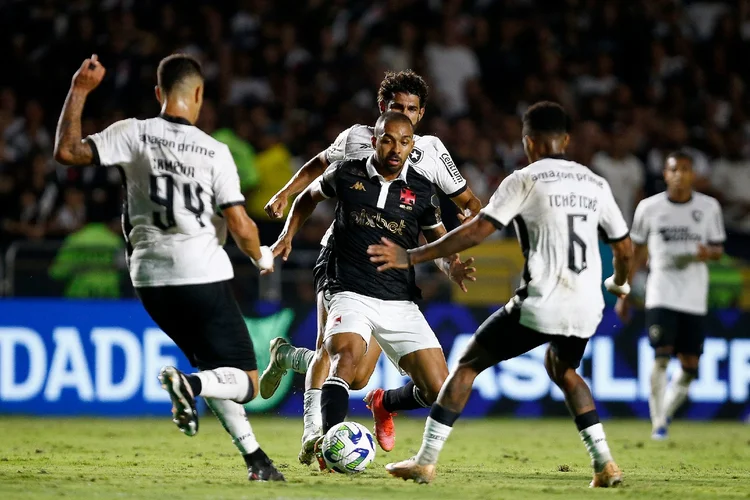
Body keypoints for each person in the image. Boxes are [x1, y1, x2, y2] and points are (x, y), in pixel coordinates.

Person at [368, 102, 632, 488]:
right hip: (588, 304)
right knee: (565, 370)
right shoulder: (595, 183)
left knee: (467, 365)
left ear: (528, 142)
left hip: (541, 302)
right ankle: (605, 464)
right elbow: (624, 249)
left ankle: (425, 462)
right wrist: (620, 284)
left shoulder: (524, 179)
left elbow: (476, 231)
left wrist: (412, 255)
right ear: (567, 140)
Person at [53, 53, 285, 482]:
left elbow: (67, 152)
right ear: (198, 94)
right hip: (201, 275)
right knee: (247, 382)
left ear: (159, 94)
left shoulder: (133, 133)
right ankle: (189, 386)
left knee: (219, 371)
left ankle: (257, 461)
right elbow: (239, 223)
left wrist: (79, 90)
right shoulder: (215, 151)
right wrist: (262, 256)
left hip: (150, 281)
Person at [259, 70, 481, 463]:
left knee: (366, 377)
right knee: (339, 356)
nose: (404, 122)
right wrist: (285, 218)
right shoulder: (353, 149)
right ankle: (320, 438)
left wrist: (455, 256)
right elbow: (314, 177)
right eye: (397, 110)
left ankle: (297, 362)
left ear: (420, 120)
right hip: (343, 262)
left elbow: (455, 211)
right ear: (380, 118)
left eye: (411, 113)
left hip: (395, 280)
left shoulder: (428, 163)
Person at [616, 151, 725, 440]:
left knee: (690, 366)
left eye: (685, 169)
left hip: (693, 295)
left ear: (693, 175)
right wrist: (624, 293)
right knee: (661, 355)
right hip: (661, 291)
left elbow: (718, 248)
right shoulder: (649, 208)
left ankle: (665, 411)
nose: (679, 175)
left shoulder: (708, 207)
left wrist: (707, 253)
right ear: (665, 174)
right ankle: (658, 421)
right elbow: (637, 253)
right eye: (674, 169)